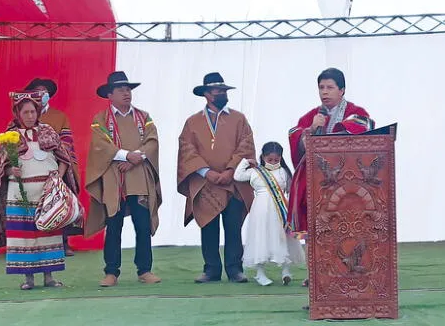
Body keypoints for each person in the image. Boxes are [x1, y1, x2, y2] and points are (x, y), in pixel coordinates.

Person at [287, 67, 375, 288]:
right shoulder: (311, 117)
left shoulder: (356, 111)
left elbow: (365, 126)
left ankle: (348, 269)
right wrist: (311, 130)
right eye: (321, 87)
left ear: (342, 90)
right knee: (317, 228)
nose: (324, 92)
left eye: (330, 87)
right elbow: (294, 135)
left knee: (345, 228)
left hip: (348, 184)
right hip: (317, 183)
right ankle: (315, 272)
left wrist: (333, 128)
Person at [0, 91, 78, 290]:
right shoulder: (9, 137)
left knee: (48, 232)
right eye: (26, 112)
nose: (30, 116)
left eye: (33, 111)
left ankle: (49, 277)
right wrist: (9, 169)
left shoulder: (48, 131)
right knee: (24, 236)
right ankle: (28, 279)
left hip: (45, 193)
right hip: (19, 193)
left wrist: (58, 175)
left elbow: (64, 158)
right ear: (18, 113)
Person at [85, 71, 162, 287]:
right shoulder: (100, 119)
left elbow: (152, 141)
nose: (126, 93)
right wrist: (127, 155)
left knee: (142, 225)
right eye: (121, 89)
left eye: (128, 89)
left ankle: (144, 270)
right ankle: (111, 272)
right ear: (110, 95)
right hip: (114, 179)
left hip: (139, 177)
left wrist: (136, 158)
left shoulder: (144, 117)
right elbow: (100, 145)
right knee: (114, 225)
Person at [177, 72, 255, 283]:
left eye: (223, 90)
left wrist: (230, 171)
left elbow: (246, 146)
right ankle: (211, 269)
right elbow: (187, 150)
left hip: (233, 182)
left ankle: (234, 269)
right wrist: (207, 172)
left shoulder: (239, 119)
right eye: (217, 90)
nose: (222, 93)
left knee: (233, 227)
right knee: (208, 226)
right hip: (205, 183)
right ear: (206, 94)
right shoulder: (192, 122)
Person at [233, 142, 306, 286]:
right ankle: (260, 273)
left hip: (280, 210)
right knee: (261, 238)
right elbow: (238, 176)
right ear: (263, 157)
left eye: (276, 160)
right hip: (260, 210)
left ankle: (286, 270)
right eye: (269, 159)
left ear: (280, 158)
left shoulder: (284, 172)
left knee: (283, 237)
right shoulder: (255, 171)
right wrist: (246, 162)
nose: (273, 162)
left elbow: (290, 191)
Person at [24, 78, 81, 256]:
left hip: (56, 167)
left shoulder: (59, 116)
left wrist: (59, 174)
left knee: (58, 203)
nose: (42, 95)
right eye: (38, 91)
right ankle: (31, 244)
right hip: (30, 168)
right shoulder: (24, 115)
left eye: (45, 92)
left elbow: (66, 146)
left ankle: (62, 243)